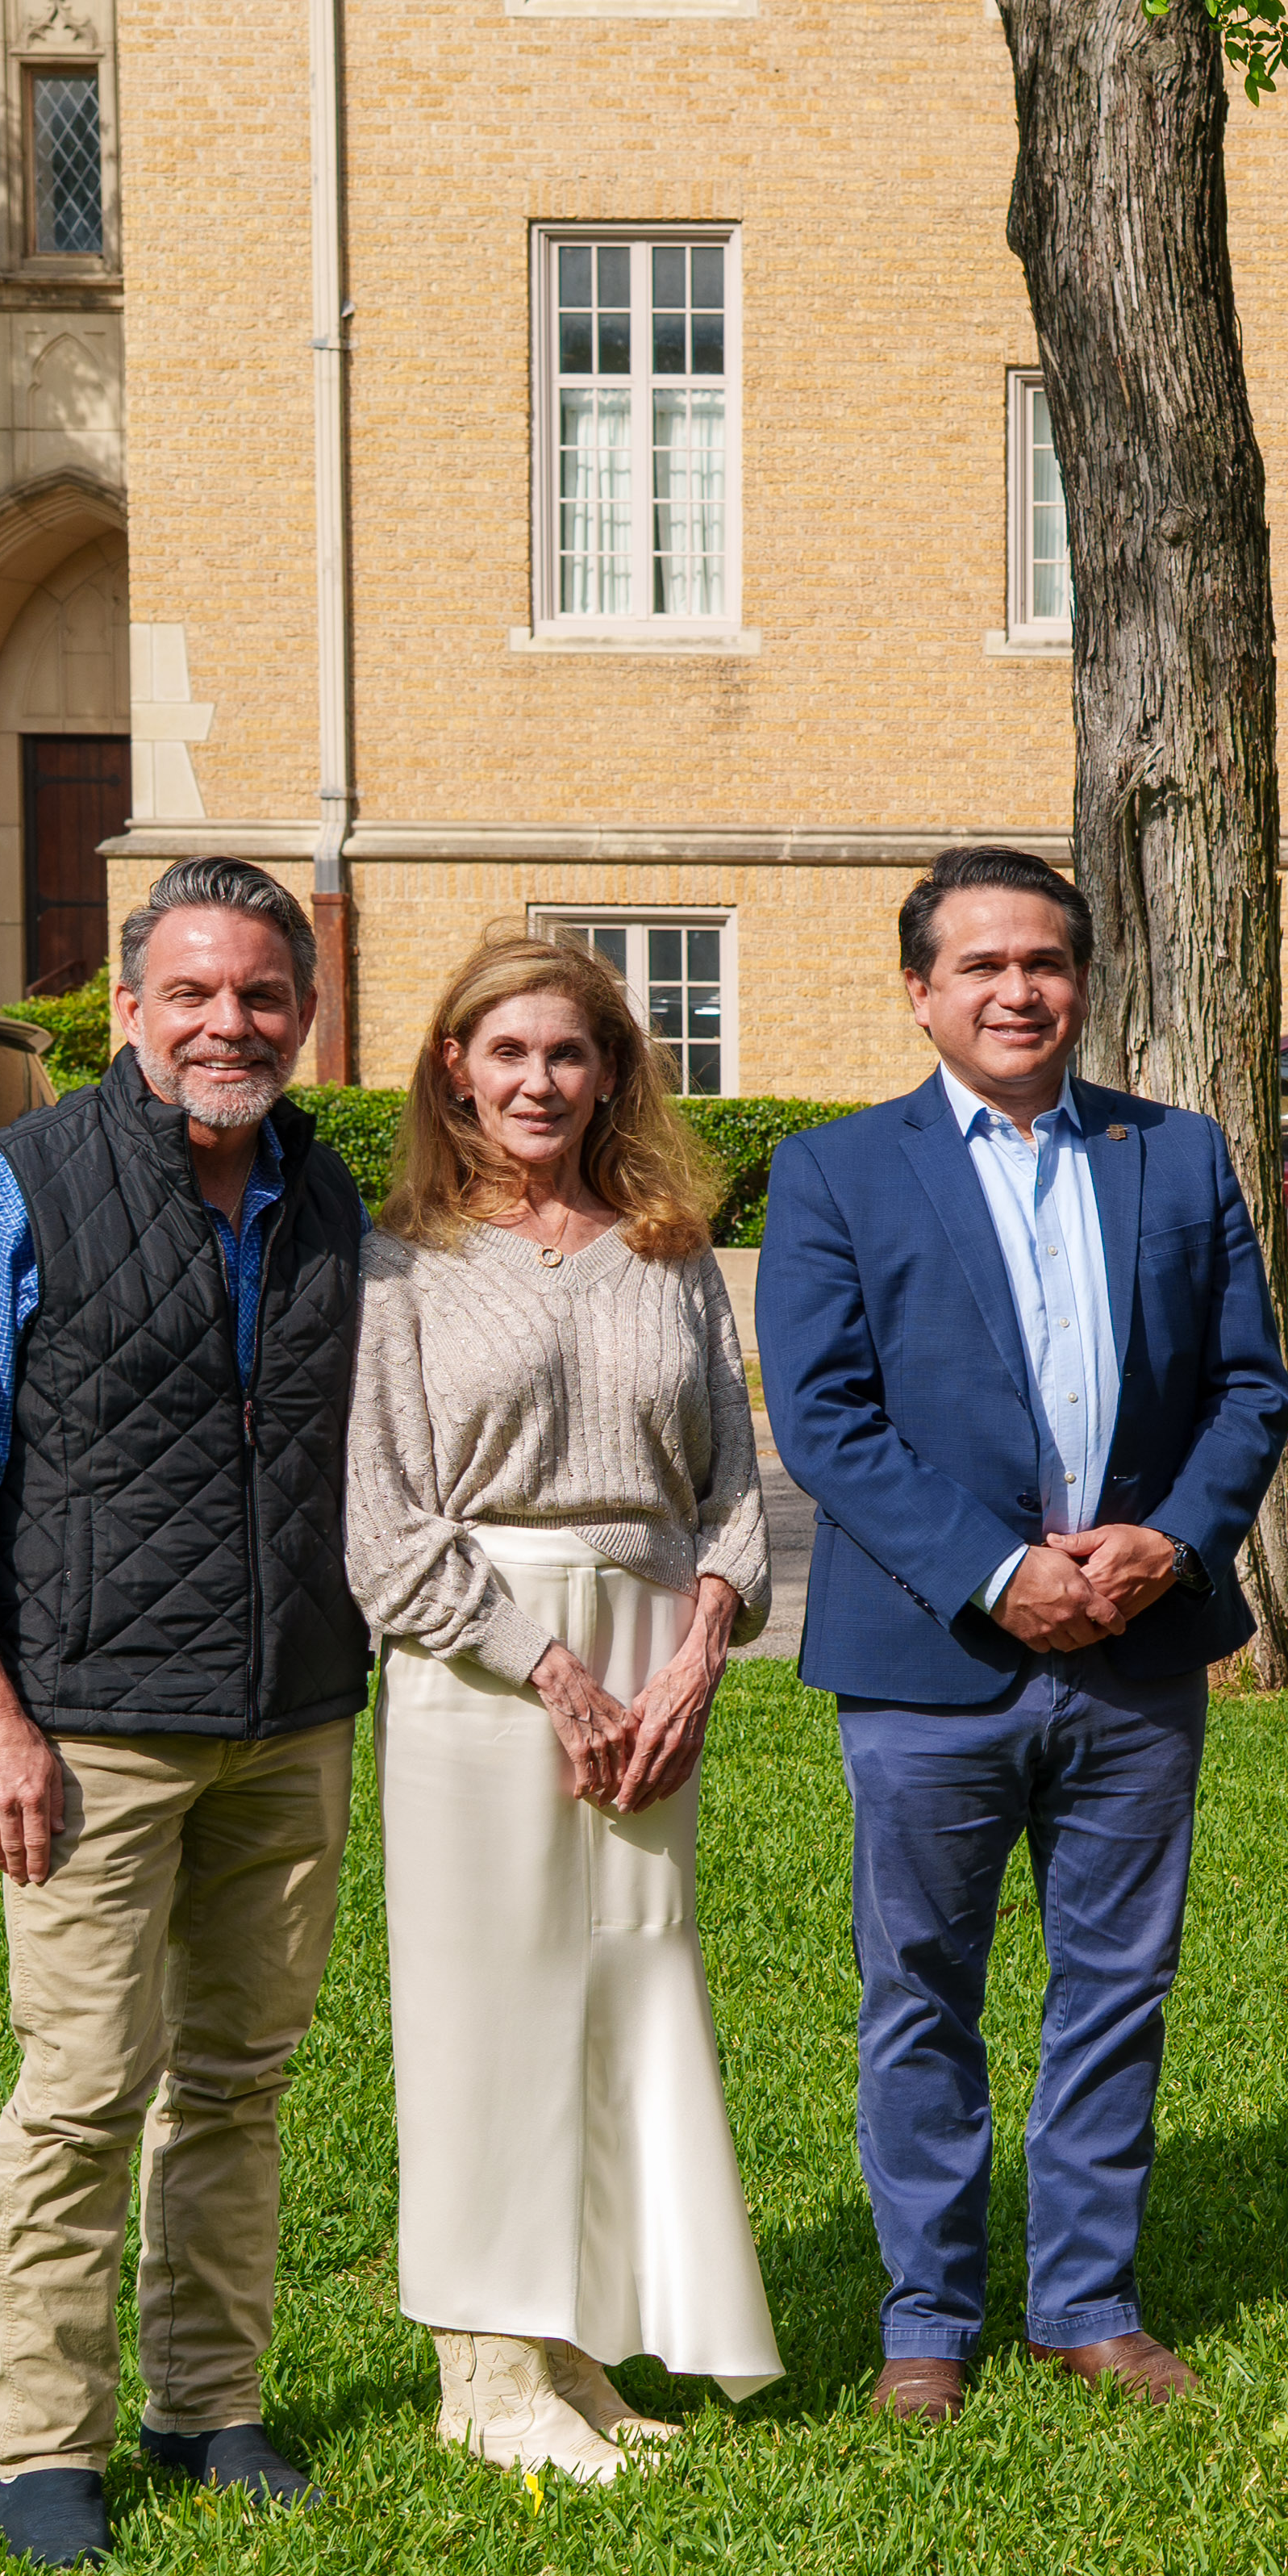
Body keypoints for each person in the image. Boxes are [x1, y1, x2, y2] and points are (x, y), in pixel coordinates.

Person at [0, 857, 372, 2570]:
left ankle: (209, 2405)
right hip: (89, 1724)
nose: (230, 1023)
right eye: (195, 993)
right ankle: (41, 2443)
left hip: (293, 1713)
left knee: (237, 2083)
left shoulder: (327, 1190)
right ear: (131, 1005)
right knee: (83, 2087)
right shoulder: (16, 1189)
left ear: (302, 1011)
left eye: (263, 996)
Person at [760, 845, 1288, 2421]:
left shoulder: (1177, 1158)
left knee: (1115, 1983)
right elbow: (826, 1418)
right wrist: (997, 1572)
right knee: (918, 1987)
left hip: (1135, 1653)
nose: (1018, 989)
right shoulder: (836, 1173)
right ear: (920, 989)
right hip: (936, 1664)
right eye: (981, 964)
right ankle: (927, 2316)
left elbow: (1252, 1387)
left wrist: (1169, 1542)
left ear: (1084, 980)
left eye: (1045, 960)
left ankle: (1087, 2297)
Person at [347, 934, 784, 2480]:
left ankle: (577, 2343)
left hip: (657, 1657)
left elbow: (735, 1486)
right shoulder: (398, 1261)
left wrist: (695, 1654)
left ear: (613, 1070)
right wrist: (547, 1665)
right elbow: (385, 1523)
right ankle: (481, 2364)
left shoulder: (669, 1249)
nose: (539, 1082)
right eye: (507, 1053)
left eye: (570, 1054)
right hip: (484, 1665)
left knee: (621, 1994)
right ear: (453, 1067)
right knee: (488, 2008)